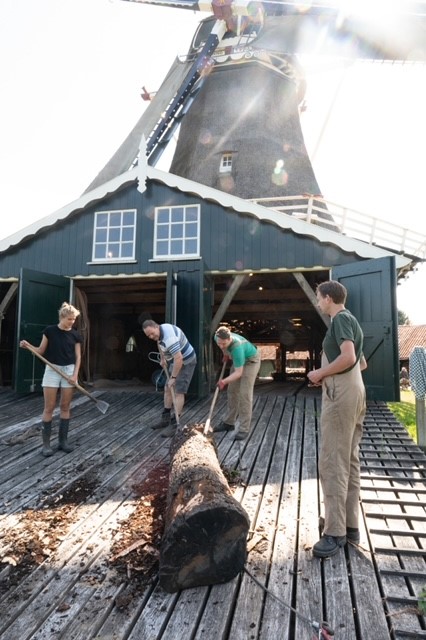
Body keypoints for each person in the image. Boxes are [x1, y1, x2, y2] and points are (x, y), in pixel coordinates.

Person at [307, 280, 367, 558]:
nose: (318, 302)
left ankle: (334, 532)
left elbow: (348, 357)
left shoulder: (340, 319)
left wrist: (320, 374)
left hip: (342, 392)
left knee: (332, 460)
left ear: (329, 298)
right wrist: (331, 373)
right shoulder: (350, 321)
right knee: (349, 459)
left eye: (319, 297)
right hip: (354, 389)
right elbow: (361, 364)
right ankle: (349, 524)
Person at [20, 302, 83, 457]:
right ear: (62, 317)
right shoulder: (49, 331)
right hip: (52, 370)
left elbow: (78, 356)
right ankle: (46, 445)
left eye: (74, 319)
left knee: (65, 406)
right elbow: (41, 351)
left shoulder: (75, 334)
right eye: (70, 319)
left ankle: (63, 442)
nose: (72, 322)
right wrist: (29, 346)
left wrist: (75, 375)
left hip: (69, 370)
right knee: (49, 407)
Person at [142, 319, 197, 437]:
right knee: (168, 388)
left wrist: (173, 377)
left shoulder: (169, 338)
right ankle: (165, 418)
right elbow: (158, 342)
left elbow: (179, 359)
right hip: (176, 360)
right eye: (148, 335)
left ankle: (175, 423)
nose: (151, 336)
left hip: (186, 361)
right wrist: (162, 358)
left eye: (152, 333)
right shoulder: (160, 333)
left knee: (178, 391)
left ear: (156, 327)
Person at [213, 326, 261, 441]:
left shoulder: (237, 347)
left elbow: (239, 373)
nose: (221, 345)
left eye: (224, 343)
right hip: (237, 359)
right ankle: (229, 423)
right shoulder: (217, 337)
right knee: (232, 391)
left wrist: (223, 381)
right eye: (219, 343)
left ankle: (244, 429)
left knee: (245, 394)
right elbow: (223, 347)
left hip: (251, 361)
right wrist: (225, 353)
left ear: (230, 339)